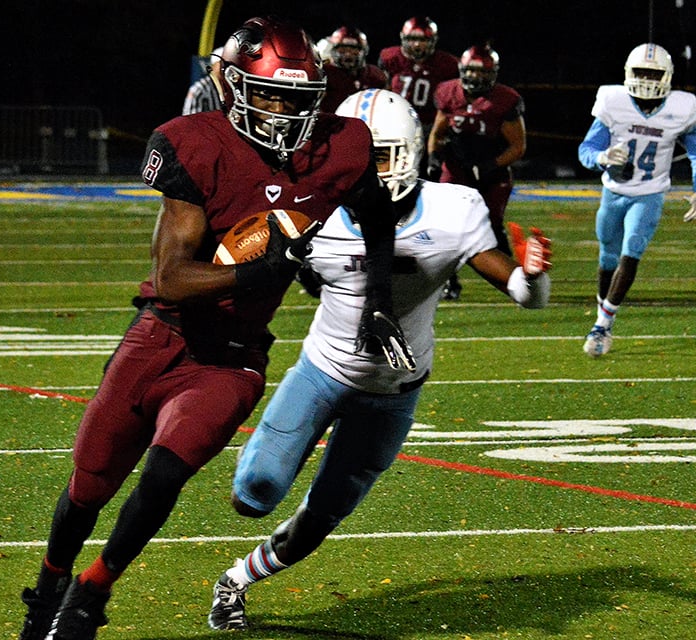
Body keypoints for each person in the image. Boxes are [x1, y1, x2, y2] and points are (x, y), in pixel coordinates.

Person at [18, 17, 414, 640]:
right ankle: (48, 585)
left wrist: (379, 300)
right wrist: (259, 272)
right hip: (162, 334)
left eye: (297, 99)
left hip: (233, 356)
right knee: (89, 483)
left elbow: (379, 215)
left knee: (167, 471)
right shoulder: (194, 143)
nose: (284, 112)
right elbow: (173, 278)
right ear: (231, 87)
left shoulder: (341, 148)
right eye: (271, 95)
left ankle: (91, 592)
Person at [206, 88, 551, 630]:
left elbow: (524, 293)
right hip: (322, 371)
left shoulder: (453, 209)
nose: (371, 171)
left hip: (394, 393)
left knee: (322, 516)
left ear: (412, 152)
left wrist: (533, 277)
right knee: (254, 493)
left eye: (384, 155)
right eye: (359, 159)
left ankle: (237, 580)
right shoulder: (308, 212)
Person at [577, 43, 696, 357]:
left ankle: (601, 324)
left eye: (654, 73)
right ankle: (605, 318)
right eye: (641, 72)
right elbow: (585, 150)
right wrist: (603, 156)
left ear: (667, 76)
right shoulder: (614, 103)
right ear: (628, 73)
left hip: (649, 194)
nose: (648, 79)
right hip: (613, 192)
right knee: (607, 257)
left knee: (631, 251)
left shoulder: (680, 108)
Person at [427, 44, 527, 299]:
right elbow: (438, 133)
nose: (476, 77)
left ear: (493, 74)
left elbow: (518, 146)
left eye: (483, 72)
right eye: (471, 70)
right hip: (457, 167)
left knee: (492, 224)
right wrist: (434, 157)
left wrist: (490, 166)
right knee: (445, 224)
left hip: (492, 170)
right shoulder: (449, 92)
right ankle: (449, 282)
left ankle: (514, 279)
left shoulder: (504, 100)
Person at [378, 16, 459, 176]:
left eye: (423, 40)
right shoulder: (390, 57)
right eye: (413, 39)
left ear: (433, 41)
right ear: (403, 38)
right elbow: (383, 89)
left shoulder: (447, 64)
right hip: (397, 124)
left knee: (431, 173)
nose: (417, 44)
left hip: (429, 125)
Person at [319, 25, 388, 113]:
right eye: (342, 50)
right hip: (332, 123)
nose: (348, 54)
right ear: (333, 50)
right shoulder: (324, 73)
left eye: (354, 50)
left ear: (364, 51)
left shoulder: (375, 75)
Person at [181, 48, 223, 115]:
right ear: (213, 66)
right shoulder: (199, 90)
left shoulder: (232, 88)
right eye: (222, 64)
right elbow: (191, 121)